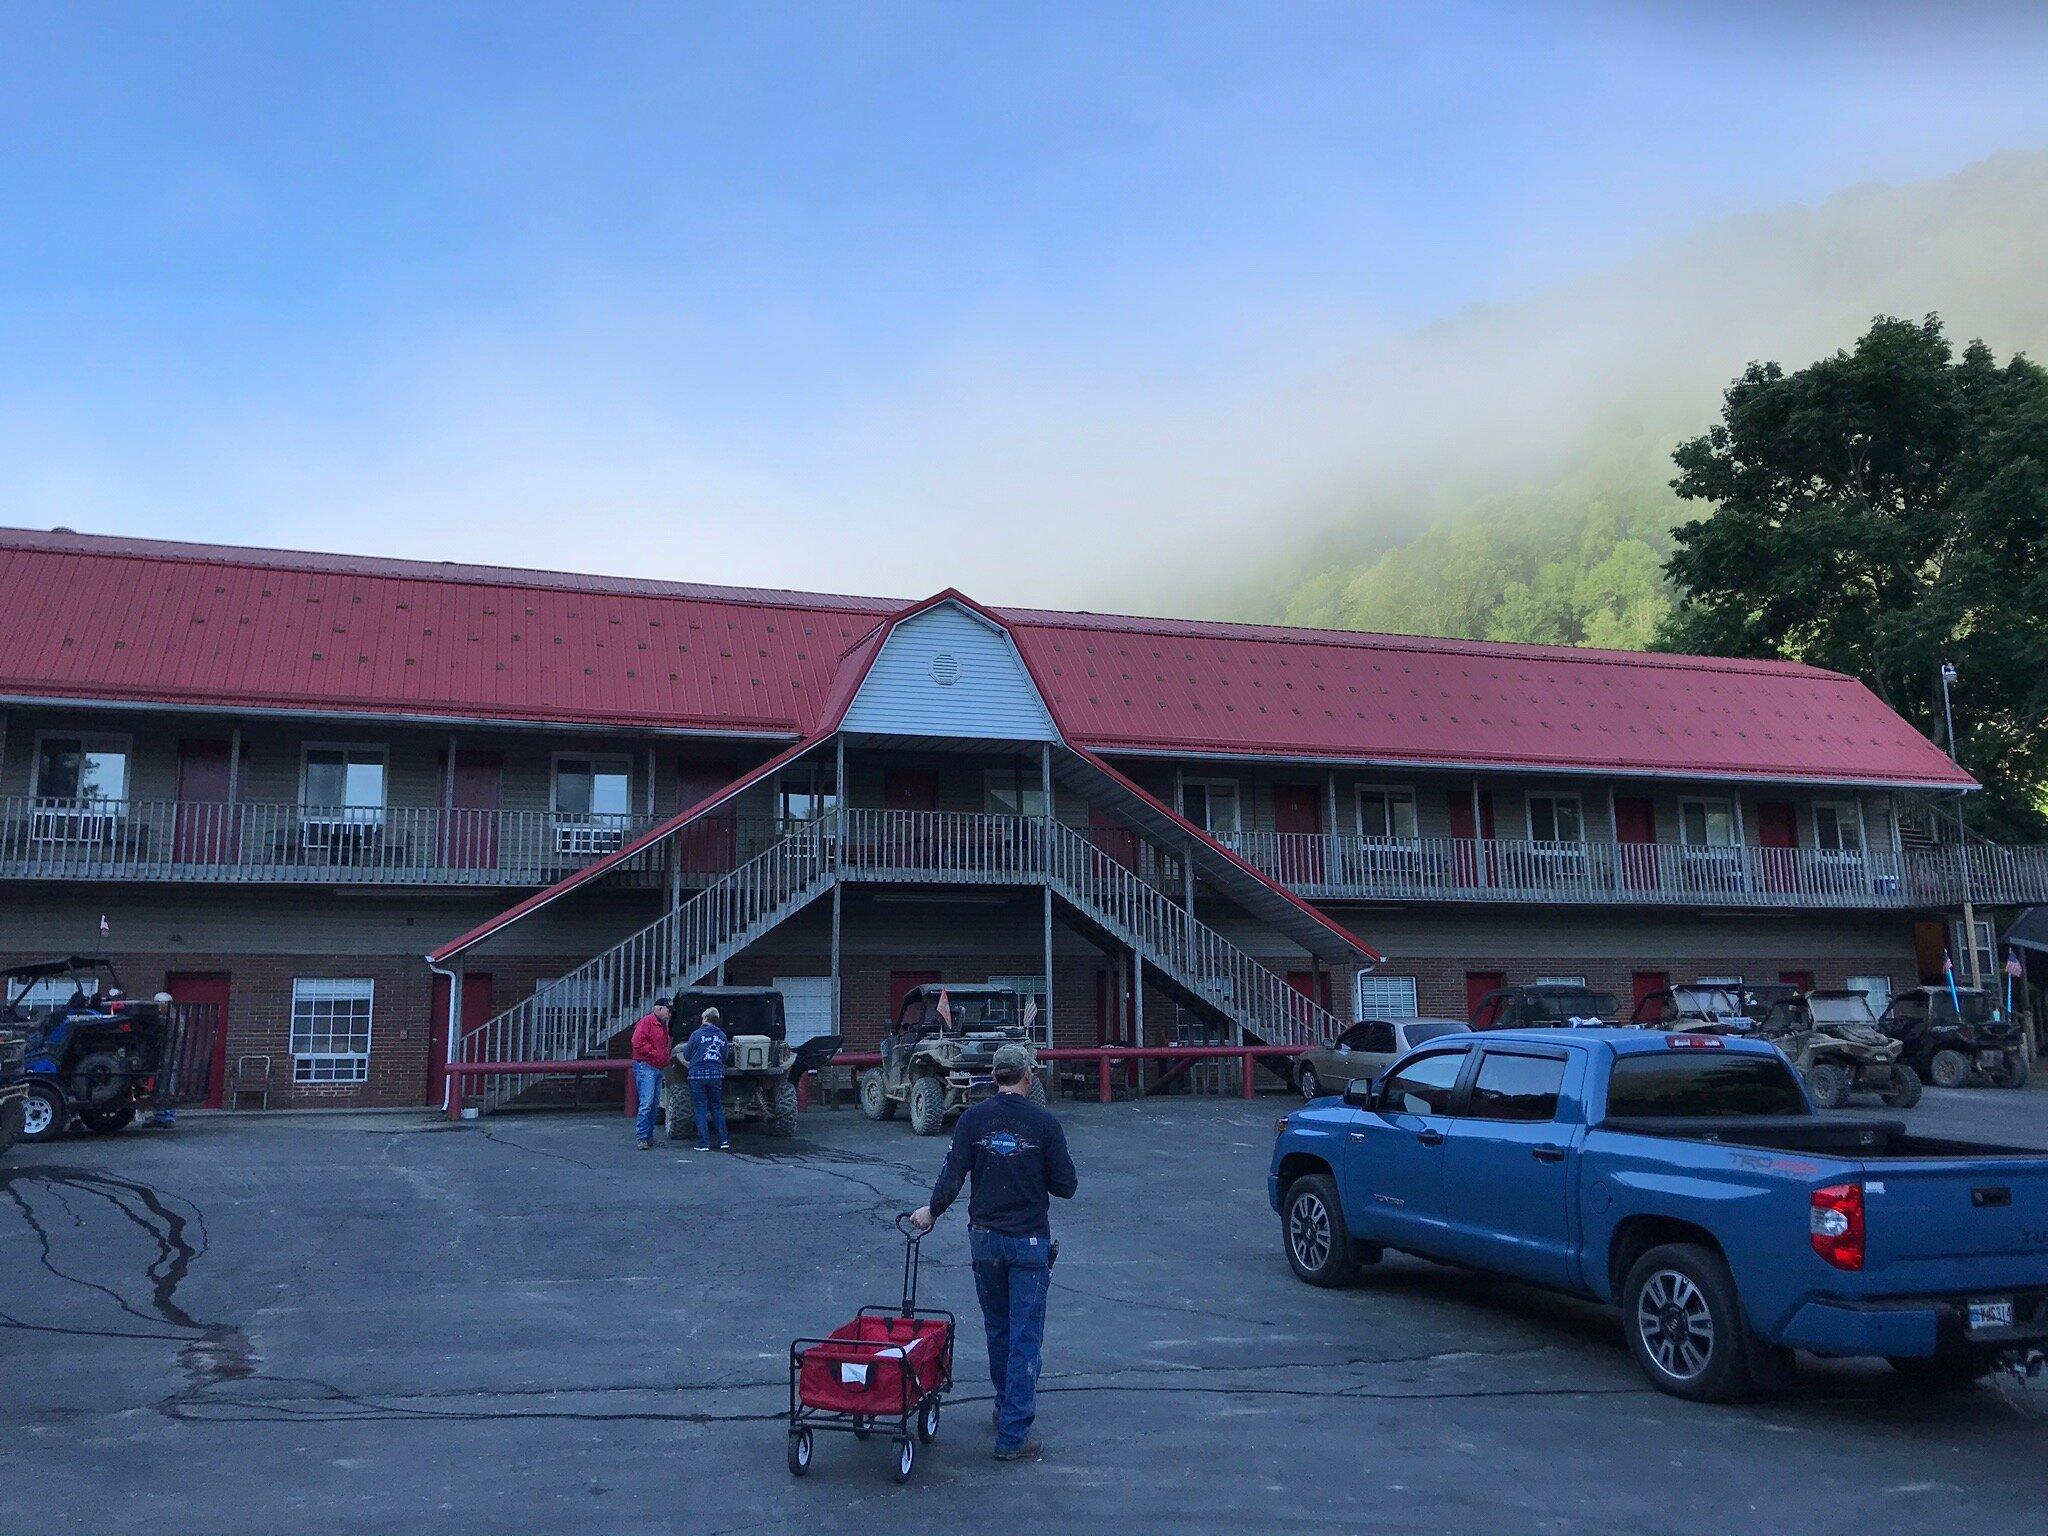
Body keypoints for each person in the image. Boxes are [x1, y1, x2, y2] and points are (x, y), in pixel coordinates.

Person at [910, 1043, 1076, 1463]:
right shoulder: (1044, 1124)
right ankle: (1013, 1436)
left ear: (995, 1076)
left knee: (999, 1330)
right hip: (1028, 1242)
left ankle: (1006, 1409)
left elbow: (952, 1175)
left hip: (984, 1239)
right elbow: (1066, 1185)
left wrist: (931, 1212)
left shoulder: (972, 1119)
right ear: (1027, 1076)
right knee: (1025, 1335)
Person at [681, 1006, 732, 1152]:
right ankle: (724, 1141)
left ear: (704, 1018)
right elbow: (725, 1056)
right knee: (716, 1107)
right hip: (716, 1074)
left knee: (700, 1108)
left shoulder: (696, 1034)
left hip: (697, 1074)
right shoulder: (722, 1035)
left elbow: (686, 1056)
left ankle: (703, 1143)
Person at [628, 1001, 673, 1151]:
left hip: (652, 1065)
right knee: (647, 1103)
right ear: (659, 1009)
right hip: (647, 1065)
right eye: (668, 1010)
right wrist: (656, 1055)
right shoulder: (648, 1022)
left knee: (653, 1104)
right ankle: (643, 1138)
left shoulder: (657, 1024)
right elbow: (637, 1042)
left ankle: (647, 1137)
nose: (669, 1014)